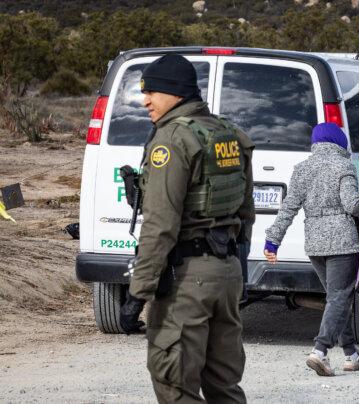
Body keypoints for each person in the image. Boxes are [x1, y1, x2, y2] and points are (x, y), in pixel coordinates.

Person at [119, 54, 254, 403]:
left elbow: (161, 225)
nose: (145, 101)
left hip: (187, 277)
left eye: (152, 92)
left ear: (175, 93)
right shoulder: (228, 133)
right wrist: (236, 265)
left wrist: (139, 291)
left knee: (174, 381)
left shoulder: (172, 139)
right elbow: (246, 210)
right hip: (226, 271)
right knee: (224, 385)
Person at [263, 123, 359, 377]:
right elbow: (351, 204)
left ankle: (351, 354)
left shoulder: (302, 169)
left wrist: (272, 241)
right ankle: (320, 350)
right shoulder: (343, 166)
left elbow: (288, 207)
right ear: (339, 143)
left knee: (336, 298)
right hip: (342, 241)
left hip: (314, 243)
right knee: (340, 297)